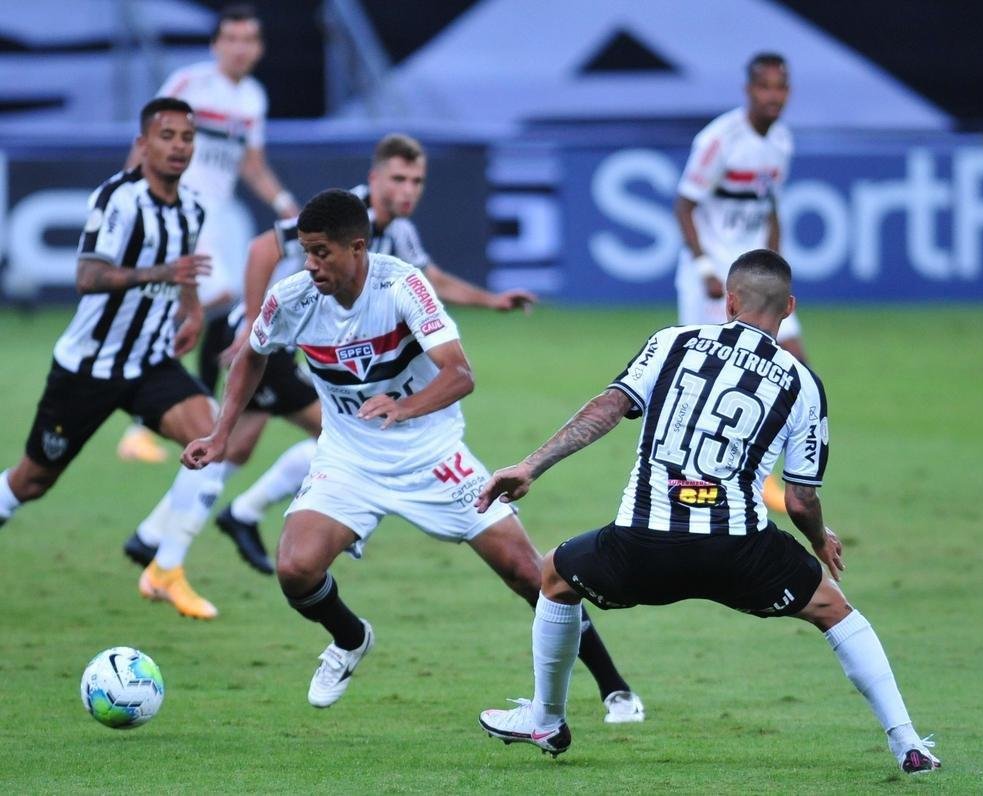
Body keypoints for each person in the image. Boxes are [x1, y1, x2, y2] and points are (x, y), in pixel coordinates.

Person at [180, 190, 643, 720]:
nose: (309, 264)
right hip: (350, 459)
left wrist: (406, 408)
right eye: (305, 252)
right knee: (295, 569)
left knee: (527, 574)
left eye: (320, 252)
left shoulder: (401, 285)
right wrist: (220, 433)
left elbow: (460, 373)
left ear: (357, 248)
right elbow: (250, 357)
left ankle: (615, 688)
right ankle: (350, 639)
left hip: (432, 453)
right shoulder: (291, 298)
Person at [476, 249, 938, 773]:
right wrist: (817, 539)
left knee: (555, 574)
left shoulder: (671, 342)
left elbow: (608, 407)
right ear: (788, 308)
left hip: (642, 544)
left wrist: (532, 466)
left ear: (728, 299)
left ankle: (546, 718)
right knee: (835, 611)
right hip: (740, 551)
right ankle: (908, 743)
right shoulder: (802, 382)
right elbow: (801, 498)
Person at [124, 133, 539, 585]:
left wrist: (492, 301)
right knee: (341, 434)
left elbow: (434, 279)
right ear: (374, 179)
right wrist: (248, 321)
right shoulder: (345, 216)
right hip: (274, 338)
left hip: (310, 346)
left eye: (417, 181)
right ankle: (192, 544)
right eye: (398, 179)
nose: (408, 190)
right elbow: (263, 248)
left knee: (244, 444)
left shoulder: (398, 233)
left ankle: (161, 538)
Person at [0, 98, 222, 618]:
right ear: (144, 144)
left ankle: (165, 568)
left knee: (211, 442)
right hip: (89, 367)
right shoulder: (117, 199)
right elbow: (88, 277)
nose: (178, 147)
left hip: (148, 363)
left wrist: (190, 310)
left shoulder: (191, 207)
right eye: (166, 136)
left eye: (187, 138)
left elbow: (184, 271)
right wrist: (160, 274)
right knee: (31, 482)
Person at [117, 3, 300, 464]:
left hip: (218, 218)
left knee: (221, 307)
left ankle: (192, 403)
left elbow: (250, 164)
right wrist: (130, 201)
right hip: (178, 210)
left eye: (249, 40)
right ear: (216, 44)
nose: (240, 48)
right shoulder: (189, 84)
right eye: (232, 39)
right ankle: (147, 416)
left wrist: (283, 203)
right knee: (216, 296)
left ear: (258, 48)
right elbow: (146, 144)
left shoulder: (253, 97)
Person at [675, 52, 805, 514]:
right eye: (765, 87)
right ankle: (698, 474)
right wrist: (705, 268)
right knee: (714, 375)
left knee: (796, 365)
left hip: (759, 275)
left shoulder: (782, 142)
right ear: (749, 90)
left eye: (781, 87)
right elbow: (685, 205)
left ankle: (784, 478)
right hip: (716, 280)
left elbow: (771, 209)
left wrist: (776, 266)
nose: (774, 96)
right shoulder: (719, 139)